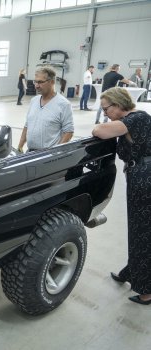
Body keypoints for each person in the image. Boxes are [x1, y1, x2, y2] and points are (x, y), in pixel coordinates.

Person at [92, 87, 151, 305]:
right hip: (139, 177)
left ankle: (146, 290)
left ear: (118, 105)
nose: (105, 112)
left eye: (106, 108)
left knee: (143, 231)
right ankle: (132, 271)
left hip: (145, 179)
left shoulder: (136, 118)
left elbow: (101, 131)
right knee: (138, 230)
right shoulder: (131, 120)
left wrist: (99, 126)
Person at [17, 66, 73, 153]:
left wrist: (56, 153)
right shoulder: (34, 101)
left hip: (48, 155)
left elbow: (68, 132)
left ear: (52, 82)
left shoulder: (63, 104)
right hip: (30, 152)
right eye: (35, 82)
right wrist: (20, 146)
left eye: (40, 82)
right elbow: (27, 125)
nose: (36, 86)